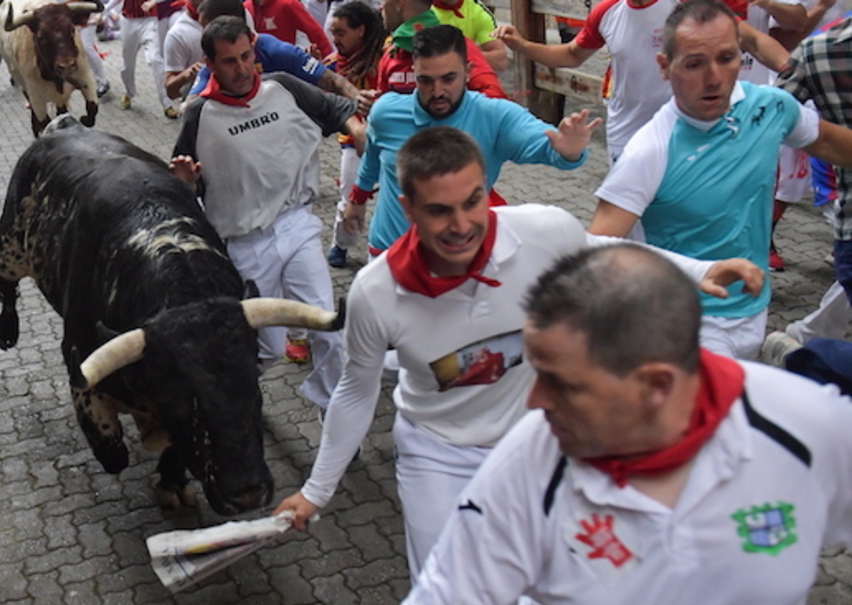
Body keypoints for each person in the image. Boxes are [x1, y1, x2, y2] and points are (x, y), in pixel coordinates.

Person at [273, 126, 764, 583]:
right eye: (440, 211)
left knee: (570, 579)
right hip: (438, 452)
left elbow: (610, 254)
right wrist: (317, 490)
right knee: (448, 586)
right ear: (408, 208)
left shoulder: (541, 232)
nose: (462, 226)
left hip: (539, 440)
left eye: (473, 202)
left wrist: (698, 270)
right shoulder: (375, 293)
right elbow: (356, 391)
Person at [391, 243, 852, 605]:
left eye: (564, 385)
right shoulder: (532, 457)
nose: (533, 402)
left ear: (656, 386)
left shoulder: (809, 427)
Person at [588, 0, 852, 360]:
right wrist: (700, 271)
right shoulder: (650, 150)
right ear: (665, 67)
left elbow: (828, 141)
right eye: (694, 64)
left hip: (754, 308)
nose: (713, 78)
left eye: (726, 59)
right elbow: (597, 247)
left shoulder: (771, 107)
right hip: (683, 322)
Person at [171, 16, 364, 409]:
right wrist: (186, 182)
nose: (241, 69)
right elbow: (182, 191)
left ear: (254, 45)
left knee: (327, 327)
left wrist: (356, 130)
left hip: (297, 227)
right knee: (268, 348)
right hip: (244, 244)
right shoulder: (198, 114)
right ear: (209, 63)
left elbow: (335, 106)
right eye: (228, 61)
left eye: (246, 56)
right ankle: (227, 401)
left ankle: (335, 416)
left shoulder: (283, 87)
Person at [346, 25, 599, 257]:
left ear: (468, 71)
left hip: (458, 261)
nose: (437, 92)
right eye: (426, 80)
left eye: (448, 79)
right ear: (414, 72)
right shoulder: (386, 112)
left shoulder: (495, 116)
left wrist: (568, 150)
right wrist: (356, 200)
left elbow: (548, 145)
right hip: (389, 254)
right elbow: (372, 156)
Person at [493, 0, 798, 162]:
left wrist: (792, 70)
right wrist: (522, 46)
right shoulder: (607, 11)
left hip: (684, 130)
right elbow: (573, 55)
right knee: (634, 223)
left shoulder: (687, 5)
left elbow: (754, 40)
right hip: (626, 132)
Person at [761, 8, 852, 362]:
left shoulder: (819, 50)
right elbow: (767, 122)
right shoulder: (820, 52)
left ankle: (801, 353)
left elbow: (762, 124)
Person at [184, 0, 375, 115]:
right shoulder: (213, 62)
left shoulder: (276, 50)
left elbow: (331, 80)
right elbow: (190, 107)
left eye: (207, 27)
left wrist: (360, 100)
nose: (203, 34)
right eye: (230, 62)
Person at [324, 1, 386, 268]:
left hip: (388, 140)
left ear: (360, 30)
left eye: (340, 33)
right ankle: (341, 243)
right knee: (349, 195)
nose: (335, 39)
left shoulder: (385, 57)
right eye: (333, 33)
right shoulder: (334, 64)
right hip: (353, 142)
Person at [377, 0, 505, 98]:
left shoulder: (458, 44)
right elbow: (380, 103)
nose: (380, 6)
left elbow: (495, 97)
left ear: (400, 3)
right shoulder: (391, 54)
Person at [105, 0, 178, 116]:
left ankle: (167, 103)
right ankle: (128, 93)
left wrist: (153, 2)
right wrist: (105, 10)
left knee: (155, 60)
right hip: (128, 21)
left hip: (149, 20)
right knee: (127, 64)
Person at [429, 0, 506, 73]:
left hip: (466, 77)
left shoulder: (477, 10)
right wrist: (475, 52)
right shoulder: (421, 8)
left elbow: (500, 61)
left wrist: (465, 53)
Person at [243, 0, 332, 58]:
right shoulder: (246, 8)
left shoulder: (287, 4)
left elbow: (315, 32)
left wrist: (330, 62)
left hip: (286, 65)